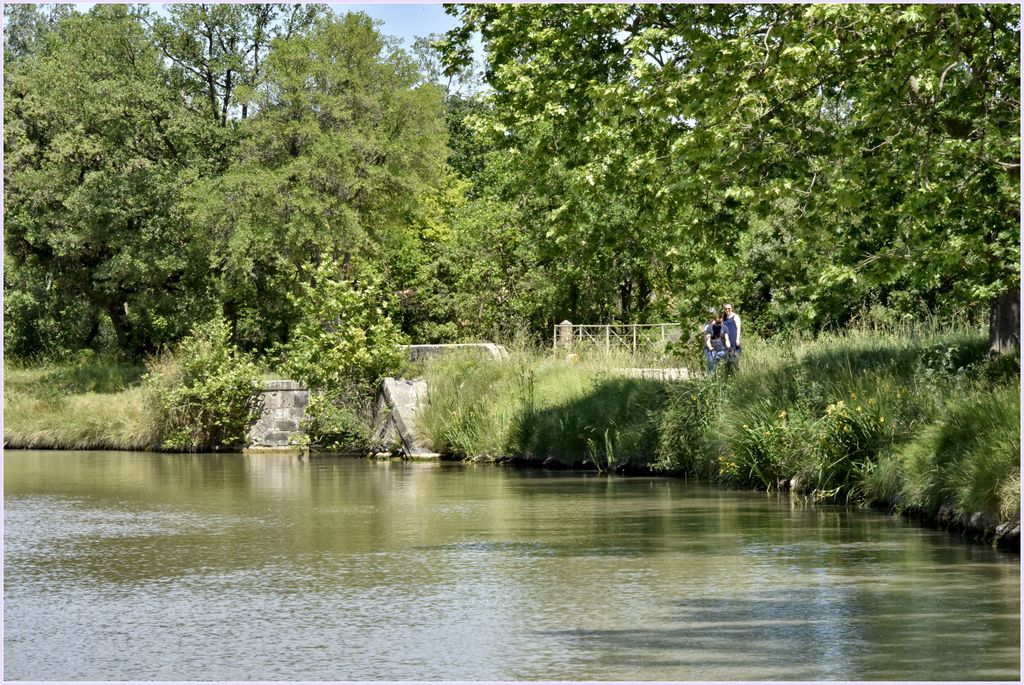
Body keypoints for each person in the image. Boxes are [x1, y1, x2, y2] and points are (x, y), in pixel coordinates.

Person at [722, 302, 742, 369]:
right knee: (728, 356)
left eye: (729, 308)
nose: (727, 310)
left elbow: (738, 328)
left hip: (734, 338)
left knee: (736, 356)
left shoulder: (735, 316)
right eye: (726, 309)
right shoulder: (724, 318)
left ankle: (737, 371)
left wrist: (737, 339)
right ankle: (729, 372)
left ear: (731, 309)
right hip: (726, 339)